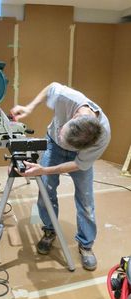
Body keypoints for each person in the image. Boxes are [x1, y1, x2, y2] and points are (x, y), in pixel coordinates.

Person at [10, 82, 111, 271]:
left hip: (79, 159)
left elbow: (78, 164)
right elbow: (50, 87)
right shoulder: (67, 97)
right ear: (73, 116)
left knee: (86, 200)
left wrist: (44, 170)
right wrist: (29, 107)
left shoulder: (102, 136)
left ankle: (86, 245)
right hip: (53, 145)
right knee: (45, 192)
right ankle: (49, 231)